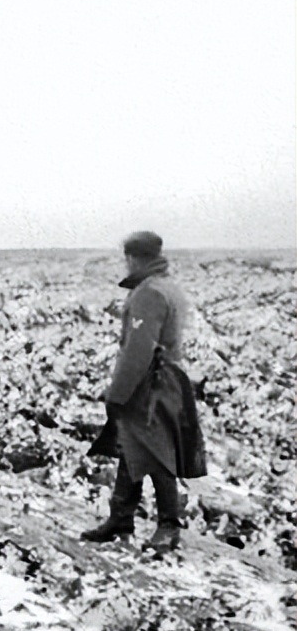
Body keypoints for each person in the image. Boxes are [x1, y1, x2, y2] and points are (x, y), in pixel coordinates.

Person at [81, 231, 207, 553]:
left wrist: (117, 393)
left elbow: (138, 351)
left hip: (151, 384)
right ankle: (121, 517)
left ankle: (168, 526)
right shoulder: (167, 286)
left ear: (133, 258)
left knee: (156, 452)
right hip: (166, 379)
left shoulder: (148, 293)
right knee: (131, 446)